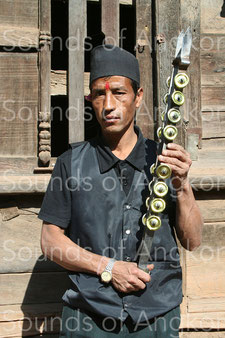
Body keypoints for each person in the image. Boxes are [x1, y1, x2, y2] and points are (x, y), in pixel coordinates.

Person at [39, 45, 203, 337]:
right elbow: (51, 240)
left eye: (119, 92)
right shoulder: (71, 164)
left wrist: (183, 184)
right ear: (90, 100)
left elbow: (193, 240)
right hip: (89, 315)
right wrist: (108, 267)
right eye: (99, 94)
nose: (109, 104)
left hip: (157, 316)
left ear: (138, 97)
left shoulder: (163, 161)